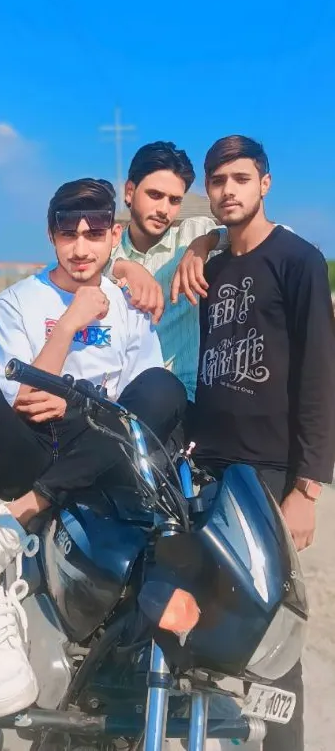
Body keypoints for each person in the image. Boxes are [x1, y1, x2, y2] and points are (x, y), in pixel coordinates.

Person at [0, 178, 187, 720]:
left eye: (95, 232)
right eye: (68, 233)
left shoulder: (130, 305)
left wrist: (77, 402)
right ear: (51, 235)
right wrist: (69, 323)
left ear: (112, 234)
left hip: (101, 448)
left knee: (167, 390)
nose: (81, 246)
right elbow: (26, 399)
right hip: (33, 445)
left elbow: (145, 402)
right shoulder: (19, 301)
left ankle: (28, 510)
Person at [173, 134, 335, 751]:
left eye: (240, 179)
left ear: (265, 184)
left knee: (273, 631)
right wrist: (200, 241)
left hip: (270, 474)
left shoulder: (298, 261)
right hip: (208, 469)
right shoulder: (211, 264)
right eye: (217, 181)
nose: (228, 190)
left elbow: (320, 377)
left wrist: (307, 487)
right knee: (202, 618)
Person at [107, 141, 226, 406]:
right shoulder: (106, 253)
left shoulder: (192, 235)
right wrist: (122, 266)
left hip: (188, 396)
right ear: (129, 192)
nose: (164, 209)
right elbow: (72, 269)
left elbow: (276, 235)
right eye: (155, 195)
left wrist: (205, 243)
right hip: (120, 401)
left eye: (174, 200)